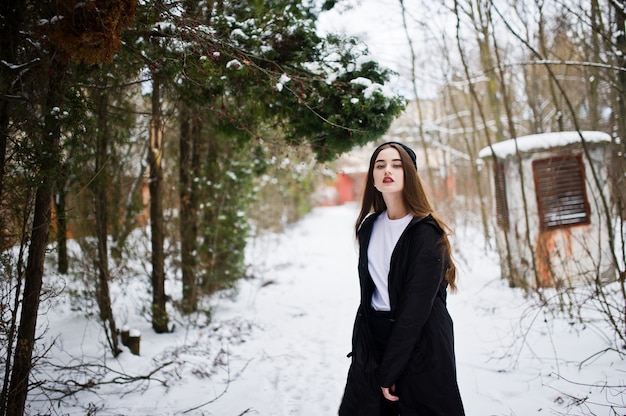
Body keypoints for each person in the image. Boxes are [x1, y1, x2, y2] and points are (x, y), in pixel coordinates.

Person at [338, 142, 465, 416]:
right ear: (372, 176)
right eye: (380, 165)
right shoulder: (369, 227)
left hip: (422, 345)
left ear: (410, 174)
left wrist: (390, 371)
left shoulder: (425, 233)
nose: (388, 170)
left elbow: (414, 312)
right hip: (375, 341)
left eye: (397, 165)